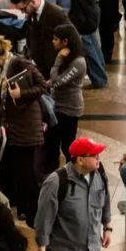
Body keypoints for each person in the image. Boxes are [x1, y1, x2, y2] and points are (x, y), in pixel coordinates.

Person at [0, 36, 48, 221]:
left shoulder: (21, 64)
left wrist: (21, 93)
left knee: (27, 172)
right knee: (12, 168)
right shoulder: (0, 68)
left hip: (26, 125)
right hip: (11, 125)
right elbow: (2, 95)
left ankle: (33, 210)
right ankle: (20, 205)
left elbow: (42, 86)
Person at [35, 136, 113, 251]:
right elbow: (43, 220)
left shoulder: (99, 174)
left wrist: (107, 227)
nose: (98, 158)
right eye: (94, 155)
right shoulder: (56, 181)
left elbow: (105, 198)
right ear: (80, 160)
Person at [28, 0, 108, 90]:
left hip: (74, 23)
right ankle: (101, 78)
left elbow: (49, 11)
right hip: (84, 17)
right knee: (93, 48)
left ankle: (99, 80)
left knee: (87, 52)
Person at [9, 0, 75, 85]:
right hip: (40, 68)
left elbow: (74, 38)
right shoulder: (31, 14)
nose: (22, 12)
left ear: (32, 1)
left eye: (23, 9)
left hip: (56, 69)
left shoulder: (57, 14)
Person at [44, 24, 88, 166]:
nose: (53, 42)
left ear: (65, 42)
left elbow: (57, 82)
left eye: (56, 39)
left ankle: (72, 172)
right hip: (57, 105)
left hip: (69, 109)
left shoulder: (78, 62)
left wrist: (58, 61)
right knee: (52, 142)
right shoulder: (68, 59)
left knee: (67, 145)